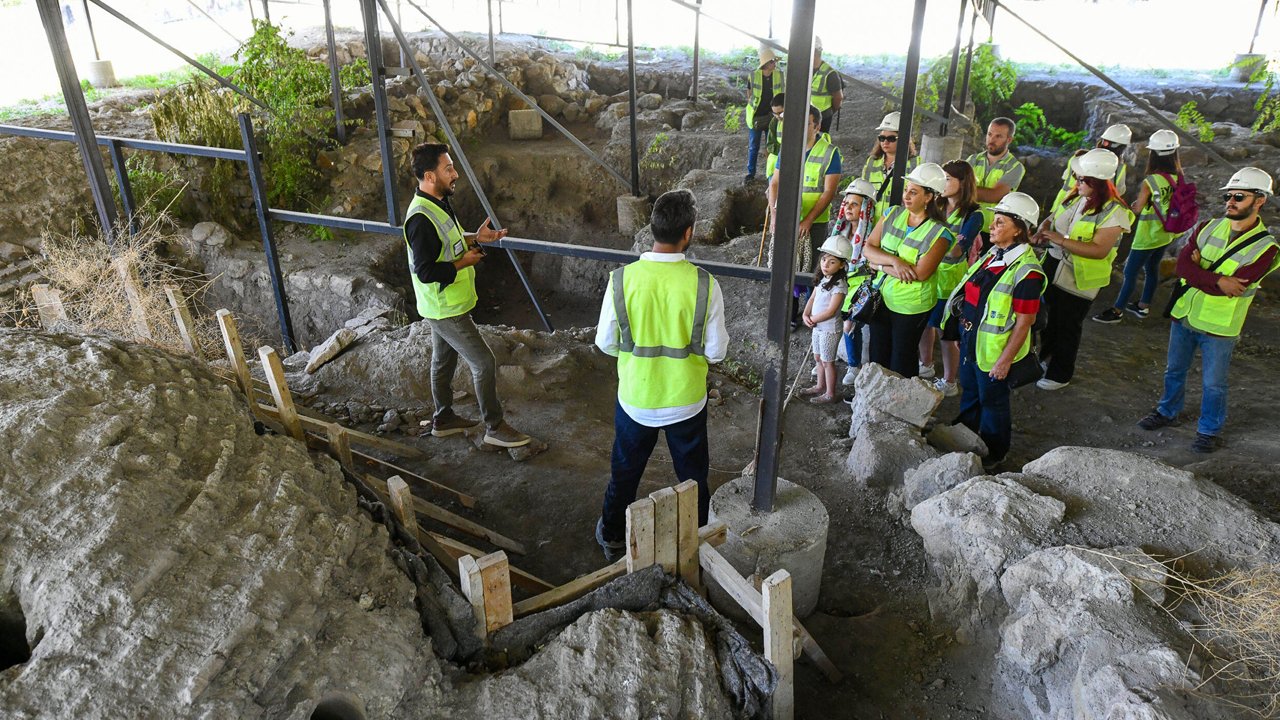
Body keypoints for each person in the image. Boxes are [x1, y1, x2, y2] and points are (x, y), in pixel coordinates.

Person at [594, 189, 729, 561]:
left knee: (625, 473)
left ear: (652, 227)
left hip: (637, 399)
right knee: (692, 479)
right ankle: (698, 543)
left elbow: (605, 342)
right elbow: (717, 351)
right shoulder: (704, 284)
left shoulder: (621, 280)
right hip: (686, 401)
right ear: (688, 233)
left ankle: (612, 537)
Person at [1138, 167, 1279, 454]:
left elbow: (1236, 285)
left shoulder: (1267, 248)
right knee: (1174, 370)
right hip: (1186, 314)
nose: (1231, 201)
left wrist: (1198, 271)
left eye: (1239, 196)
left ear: (1260, 200)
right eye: (1229, 195)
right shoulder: (1208, 226)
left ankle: (1208, 430)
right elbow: (1182, 266)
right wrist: (1217, 280)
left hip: (1220, 326)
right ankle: (1167, 412)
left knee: (1214, 384)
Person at [404, 143, 531, 448]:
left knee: (443, 361)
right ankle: (494, 426)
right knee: (484, 363)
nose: (455, 173)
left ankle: (444, 418)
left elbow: (447, 240)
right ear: (430, 175)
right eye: (448, 169)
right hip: (444, 306)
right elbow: (425, 271)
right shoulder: (420, 218)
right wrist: (465, 262)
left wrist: (476, 237)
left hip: (446, 303)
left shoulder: (436, 202)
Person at [942, 192, 1046, 470]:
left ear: (1019, 230)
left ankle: (995, 450)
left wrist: (1004, 361)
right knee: (972, 393)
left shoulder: (1028, 273)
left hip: (995, 353)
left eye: (1000, 222)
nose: (992, 226)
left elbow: (1025, 323)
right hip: (973, 342)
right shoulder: (993, 255)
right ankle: (966, 433)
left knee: (993, 402)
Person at [1032, 148, 1133, 391]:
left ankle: (1060, 373)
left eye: (1082, 180)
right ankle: (1045, 359)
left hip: (1079, 279)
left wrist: (1059, 239)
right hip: (1054, 267)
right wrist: (1043, 230)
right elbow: (1053, 217)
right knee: (1048, 320)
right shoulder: (1077, 198)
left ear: (1097, 182)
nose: (1076, 183)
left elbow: (1099, 249)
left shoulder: (1114, 212)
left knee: (1067, 326)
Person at [860, 162, 955, 378]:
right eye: (906, 190)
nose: (906, 196)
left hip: (911, 306)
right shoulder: (892, 213)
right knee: (877, 354)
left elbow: (920, 274)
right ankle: (874, 403)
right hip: (881, 297)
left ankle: (899, 407)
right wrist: (896, 262)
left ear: (929, 196)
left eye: (914, 192)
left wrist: (878, 265)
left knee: (901, 360)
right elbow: (868, 248)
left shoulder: (940, 233)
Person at [1093, 129, 1182, 324]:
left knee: (1130, 272)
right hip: (1165, 234)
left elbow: (1138, 208)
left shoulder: (1151, 181)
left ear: (1154, 154)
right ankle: (1143, 306)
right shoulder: (1178, 177)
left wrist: (1131, 206)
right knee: (1152, 269)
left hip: (1147, 235)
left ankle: (1117, 310)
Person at [920, 160, 984, 396]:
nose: (942, 183)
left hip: (951, 283)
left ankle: (949, 381)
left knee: (948, 334)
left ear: (963, 182)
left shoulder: (974, 215)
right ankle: (925, 365)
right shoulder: (935, 205)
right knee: (926, 324)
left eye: (947, 179)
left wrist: (931, 244)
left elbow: (958, 250)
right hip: (928, 276)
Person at [767, 104, 842, 266]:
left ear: (817, 126)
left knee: (810, 266)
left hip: (815, 223)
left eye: (806, 123)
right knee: (783, 266)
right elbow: (774, 184)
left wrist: (808, 220)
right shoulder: (786, 150)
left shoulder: (830, 153)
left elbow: (829, 191)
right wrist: (774, 215)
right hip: (786, 219)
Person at [832, 179, 877, 384]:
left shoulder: (874, 234)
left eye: (854, 204)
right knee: (828, 321)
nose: (848, 208)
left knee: (851, 326)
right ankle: (826, 360)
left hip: (861, 287)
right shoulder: (839, 231)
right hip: (839, 283)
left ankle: (854, 366)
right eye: (846, 203)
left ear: (866, 207)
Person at [800, 236, 850, 404]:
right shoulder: (823, 278)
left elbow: (831, 311)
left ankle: (830, 393)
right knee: (818, 358)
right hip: (817, 326)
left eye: (832, 262)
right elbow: (813, 298)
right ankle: (820, 386)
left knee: (828, 361)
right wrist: (805, 314)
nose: (825, 265)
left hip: (829, 329)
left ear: (842, 265)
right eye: (824, 260)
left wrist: (812, 318)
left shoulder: (839, 285)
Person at [1049, 123, 1131, 216]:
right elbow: (1118, 191)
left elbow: (1066, 178)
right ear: (1122, 148)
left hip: (1064, 202)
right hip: (1084, 208)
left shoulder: (1079, 157)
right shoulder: (1116, 167)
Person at [967, 117, 1026, 239]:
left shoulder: (1015, 167)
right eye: (989, 134)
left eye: (998, 136)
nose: (991, 140)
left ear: (1009, 139)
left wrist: (962, 189)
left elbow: (994, 195)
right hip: (966, 224)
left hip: (991, 231)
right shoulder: (973, 159)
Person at [861, 112, 920, 222]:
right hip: (872, 224)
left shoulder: (916, 164)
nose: (885, 142)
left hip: (899, 225)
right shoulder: (871, 162)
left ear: (904, 138)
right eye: (882, 138)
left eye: (892, 138)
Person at [744, 45, 784, 183]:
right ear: (766, 64)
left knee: (771, 146)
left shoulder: (779, 75)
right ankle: (750, 174)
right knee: (753, 146)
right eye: (772, 61)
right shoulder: (754, 75)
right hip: (756, 117)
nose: (775, 63)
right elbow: (749, 94)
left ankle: (771, 175)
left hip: (773, 117)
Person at [809, 36, 843, 134]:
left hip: (823, 117)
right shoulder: (805, 69)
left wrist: (829, 112)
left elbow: (838, 98)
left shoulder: (830, 74)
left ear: (814, 52)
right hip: (806, 115)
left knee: (819, 144)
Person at [763, 92, 786, 181]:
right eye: (774, 113)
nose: (777, 116)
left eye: (780, 113)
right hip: (774, 166)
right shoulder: (774, 122)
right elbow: (770, 145)